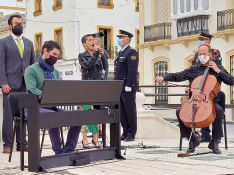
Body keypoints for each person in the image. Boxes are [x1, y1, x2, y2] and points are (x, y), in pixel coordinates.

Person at [155, 44, 234, 154]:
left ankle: (215, 141)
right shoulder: (194, 69)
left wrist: (218, 71)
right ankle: (192, 140)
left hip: (211, 101)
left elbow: (231, 81)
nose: (202, 56)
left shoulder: (218, 68)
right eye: (200, 54)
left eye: (204, 54)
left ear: (210, 54)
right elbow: (178, 76)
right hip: (195, 100)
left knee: (219, 111)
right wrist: (164, 77)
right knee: (179, 112)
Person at [24, 40, 81, 155]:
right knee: (53, 117)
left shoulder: (56, 72)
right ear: (45, 51)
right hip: (33, 107)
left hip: (51, 107)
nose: (56, 57)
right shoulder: (31, 70)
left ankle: (68, 150)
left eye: (57, 55)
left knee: (78, 117)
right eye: (54, 54)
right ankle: (58, 152)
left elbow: (59, 90)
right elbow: (32, 89)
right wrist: (49, 96)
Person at [0, 14, 35, 153]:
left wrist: (33, 84)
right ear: (10, 26)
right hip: (9, 84)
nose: (19, 25)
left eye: (21, 22)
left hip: (26, 84)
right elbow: (0, 64)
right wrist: (3, 82)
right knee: (9, 115)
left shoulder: (29, 43)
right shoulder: (3, 42)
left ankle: (22, 144)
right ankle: (7, 144)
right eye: (16, 23)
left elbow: (32, 66)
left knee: (23, 114)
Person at [78, 34, 108, 148]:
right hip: (86, 88)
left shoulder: (98, 55)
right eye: (90, 40)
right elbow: (89, 65)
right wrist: (95, 54)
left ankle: (96, 139)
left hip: (98, 88)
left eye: (93, 40)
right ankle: (85, 139)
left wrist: (102, 54)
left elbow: (105, 67)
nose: (93, 42)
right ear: (84, 44)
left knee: (97, 114)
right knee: (85, 113)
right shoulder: (82, 56)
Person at [193, 32, 223, 142]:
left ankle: (216, 137)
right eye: (200, 40)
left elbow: (218, 69)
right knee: (197, 104)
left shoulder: (215, 53)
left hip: (211, 84)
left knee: (213, 106)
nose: (201, 42)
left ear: (209, 41)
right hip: (199, 86)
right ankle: (201, 135)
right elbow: (194, 70)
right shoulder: (198, 54)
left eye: (203, 40)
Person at [114, 30, 139, 141]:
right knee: (122, 111)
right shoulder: (120, 53)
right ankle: (125, 131)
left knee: (130, 110)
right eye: (119, 37)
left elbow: (132, 71)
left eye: (121, 37)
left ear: (128, 39)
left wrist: (129, 85)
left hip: (127, 87)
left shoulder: (131, 52)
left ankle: (131, 133)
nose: (119, 39)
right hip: (119, 86)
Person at [92, 32, 109, 138]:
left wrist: (101, 54)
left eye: (99, 40)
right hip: (92, 85)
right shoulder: (89, 53)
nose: (97, 42)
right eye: (96, 40)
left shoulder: (104, 52)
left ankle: (101, 130)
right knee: (93, 110)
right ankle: (95, 131)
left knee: (101, 110)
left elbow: (106, 66)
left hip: (102, 84)